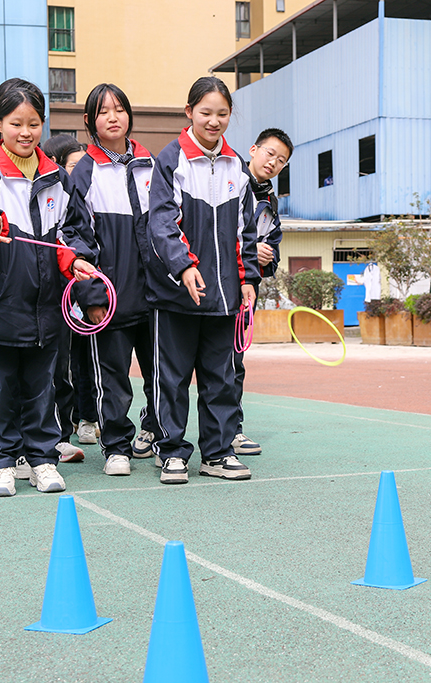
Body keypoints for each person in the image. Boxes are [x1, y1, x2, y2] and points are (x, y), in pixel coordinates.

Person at [0, 78, 99, 496]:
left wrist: (74, 258)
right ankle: (1, 463)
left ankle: (41, 460)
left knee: (43, 389)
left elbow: (74, 231)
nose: (25, 132)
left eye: (34, 123)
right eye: (16, 123)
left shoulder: (57, 176)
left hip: (47, 306)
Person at [145, 76, 259, 484]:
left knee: (221, 379)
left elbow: (247, 231)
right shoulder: (170, 161)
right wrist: (184, 266)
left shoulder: (238, 169)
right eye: (206, 113)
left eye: (222, 114)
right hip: (176, 294)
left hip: (225, 298)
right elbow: (161, 224)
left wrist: (248, 279)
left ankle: (217, 452)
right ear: (189, 111)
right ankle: (171, 451)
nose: (214, 121)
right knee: (171, 378)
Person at [71, 83, 162, 476]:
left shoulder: (152, 164)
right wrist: (92, 297)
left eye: (120, 109)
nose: (113, 116)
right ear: (90, 120)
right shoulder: (84, 171)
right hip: (110, 298)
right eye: (104, 111)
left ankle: (158, 436)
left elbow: (170, 226)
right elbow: (76, 238)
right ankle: (116, 447)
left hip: (157, 295)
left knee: (163, 375)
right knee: (113, 378)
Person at [231, 128, 294, 456]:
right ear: (254, 149)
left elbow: (273, 246)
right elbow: (214, 231)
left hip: (247, 291)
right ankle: (155, 427)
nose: (273, 162)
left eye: (281, 160)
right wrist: (251, 249)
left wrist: (263, 256)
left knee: (234, 362)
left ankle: (232, 430)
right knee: (183, 365)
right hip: (213, 283)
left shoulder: (269, 200)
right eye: (270, 153)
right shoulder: (230, 179)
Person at [38, 134, 90, 464]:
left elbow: (73, 236)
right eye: (72, 165)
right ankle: (13, 445)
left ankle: (59, 437)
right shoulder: (44, 192)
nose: (78, 172)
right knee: (28, 373)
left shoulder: (70, 198)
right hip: (29, 296)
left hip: (62, 298)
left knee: (61, 371)